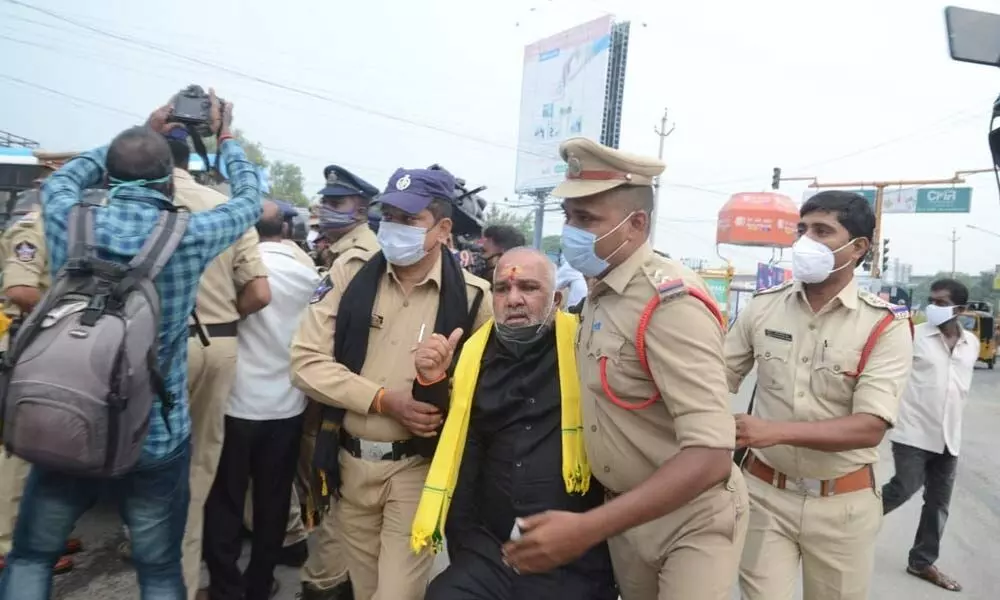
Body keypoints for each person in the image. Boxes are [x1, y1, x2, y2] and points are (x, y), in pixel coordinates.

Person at [0, 92, 263, 599]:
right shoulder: (191, 233)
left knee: (32, 555)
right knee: (159, 570)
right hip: (155, 434)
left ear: (108, 174)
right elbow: (249, 200)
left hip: (66, 417)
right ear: (170, 180)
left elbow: (67, 176)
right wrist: (225, 137)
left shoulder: (66, 215)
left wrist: (144, 128)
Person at [503, 137, 748, 600]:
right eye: (569, 217)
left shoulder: (669, 302)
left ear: (635, 224)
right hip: (629, 516)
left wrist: (587, 527)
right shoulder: (601, 293)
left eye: (587, 219)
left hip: (691, 519)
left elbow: (712, 455)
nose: (572, 230)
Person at [289, 167, 492, 600]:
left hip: (416, 469)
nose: (394, 227)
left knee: (396, 594)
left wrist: (439, 383)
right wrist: (382, 400)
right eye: (390, 215)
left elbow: (482, 394)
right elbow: (305, 361)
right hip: (349, 464)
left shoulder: (474, 297)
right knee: (365, 589)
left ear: (443, 228)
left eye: (409, 218)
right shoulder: (351, 274)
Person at [724, 190, 913, 600]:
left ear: (858, 247)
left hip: (842, 506)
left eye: (822, 231)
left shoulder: (885, 326)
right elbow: (714, 378)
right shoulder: (762, 308)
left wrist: (773, 431)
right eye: (802, 230)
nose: (804, 241)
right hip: (764, 496)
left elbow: (869, 427)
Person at [415, 247, 617, 600]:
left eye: (528, 287)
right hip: (492, 550)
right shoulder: (470, 358)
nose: (514, 299)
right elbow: (440, 444)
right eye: (503, 290)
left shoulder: (584, 347)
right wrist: (431, 381)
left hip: (571, 554)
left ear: (556, 299)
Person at [165, 127, 271, 600]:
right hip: (217, 347)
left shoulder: (121, 203)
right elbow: (259, 292)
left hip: (151, 348)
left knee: (143, 473)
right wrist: (220, 317)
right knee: (196, 476)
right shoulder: (224, 208)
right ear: (189, 157)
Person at [203, 201, 320, 600]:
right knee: (273, 503)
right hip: (286, 406)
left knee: (225, 502)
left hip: (234, 404)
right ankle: (259, 583)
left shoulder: (230, 269)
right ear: (285, 230)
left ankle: (224, 588)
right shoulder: (310, 275)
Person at [0, 169, 82, 577]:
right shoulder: (32, 229)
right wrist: (67, 314)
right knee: (19, 448)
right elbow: (20, 290)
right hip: (30, 341)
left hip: (50, 343)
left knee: (47, 443)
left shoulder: (64, 225)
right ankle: (8, 543)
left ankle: (39, 531)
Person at [881, 278, 975, 592]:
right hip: (912, 431)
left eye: (941, 302)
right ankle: (847, 525)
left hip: (951, 436)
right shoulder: (912, 336)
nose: (933, 307)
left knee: (938, 503)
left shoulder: (971, 344)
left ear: (960, 309)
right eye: (932, 301)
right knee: (902, 488)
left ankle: (921, 562)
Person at [312, 165, 380, 270]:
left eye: (335, 204)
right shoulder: (341, 245)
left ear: (360, 213)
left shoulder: (360, 254)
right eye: (324, 202)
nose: (324, 208)